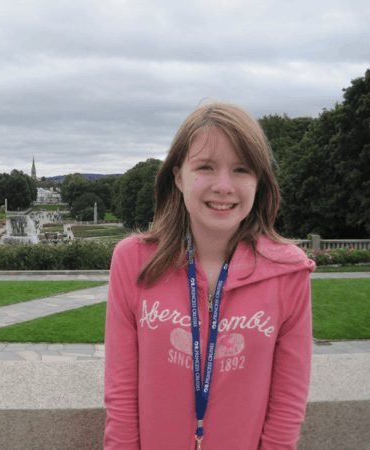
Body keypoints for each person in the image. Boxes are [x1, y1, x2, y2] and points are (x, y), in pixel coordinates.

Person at [103, 99, 316, 450]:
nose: (223, 185)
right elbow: (121, 394)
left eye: (242, 170)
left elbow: (288, 404)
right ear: (178, 177)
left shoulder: (287, 271)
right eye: (205, 166)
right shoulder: (134, 261)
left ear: (259, 180)